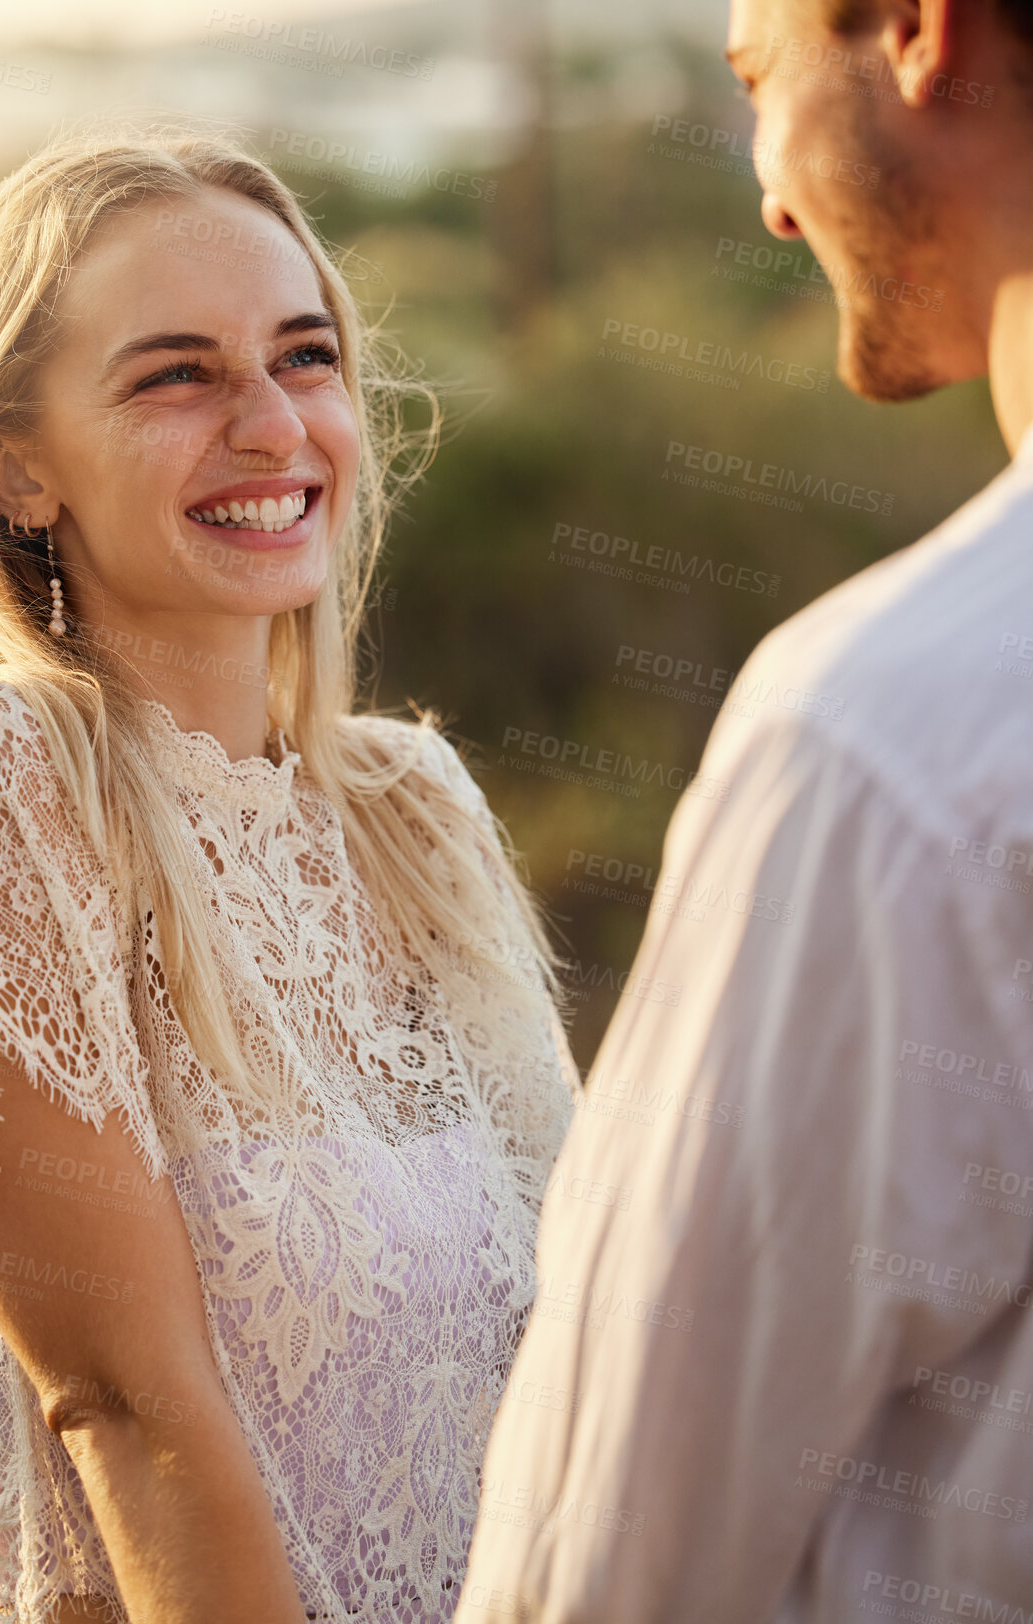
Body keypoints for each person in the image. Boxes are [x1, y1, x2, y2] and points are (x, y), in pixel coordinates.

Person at [0, 117, 580, 1624]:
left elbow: (589, 1316)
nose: (271, 426)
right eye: (177, 374)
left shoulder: (410, 809)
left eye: (304, 357)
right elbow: (123, 1404)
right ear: (17, 467)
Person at [454, 0, 1033, 1618]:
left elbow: (612, 1544)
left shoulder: (881, 743)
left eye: (757, 78)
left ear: (917, 31)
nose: (769, 197)